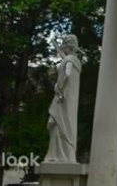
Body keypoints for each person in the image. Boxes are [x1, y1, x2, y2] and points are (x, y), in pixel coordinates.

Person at [45, 34, 81, 163]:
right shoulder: (74, 60)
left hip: (63, 97)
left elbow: (67, 73)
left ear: (68, 46)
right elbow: (65, 58)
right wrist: (55, 45)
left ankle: (60, 155)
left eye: (64, 45)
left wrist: (59, 86)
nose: (63, 47)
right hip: (67, 98)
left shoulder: (70, 61)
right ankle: (59, 154)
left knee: (59, 123)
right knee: (59, 124)